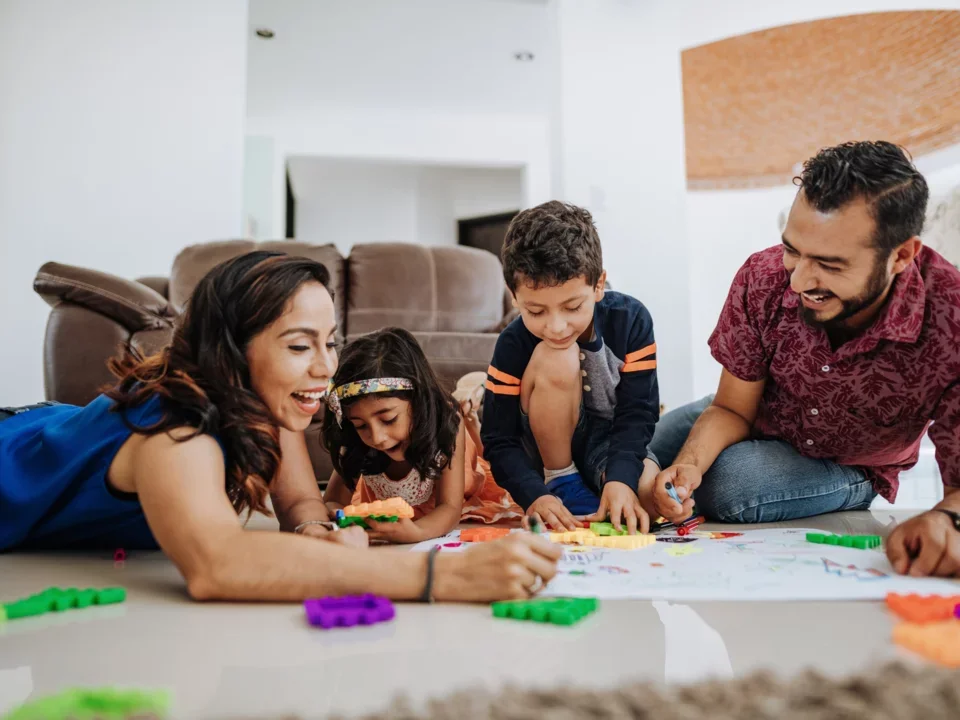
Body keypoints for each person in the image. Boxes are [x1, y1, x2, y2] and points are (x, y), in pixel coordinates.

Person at [0, 251, 560, 601]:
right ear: (232, 355)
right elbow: (217, 565)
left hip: (52, 430)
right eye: (299, 346)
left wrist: (322, 540)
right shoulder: (176, 432)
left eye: (330, 341)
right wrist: (445, 579)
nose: (326, 367)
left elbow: (299, 507)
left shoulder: (270, 406)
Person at [649, 140, 960, 578]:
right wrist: (688, 464)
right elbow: (732, 408)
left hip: (850, 463)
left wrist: (947, 522)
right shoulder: (763, 276)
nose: (797, 280)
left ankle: (850, 491)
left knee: (729, 486)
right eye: (793, 250)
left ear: (901, 256)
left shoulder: (951, 316)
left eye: (830, 265)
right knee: (635, 445)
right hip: (755, 414)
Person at [481, 201, 662, 534]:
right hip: (540, 451)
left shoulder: (631, 321)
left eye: (573, 306)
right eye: (535, 312)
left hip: (608, 439)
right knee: (557, 354)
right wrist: (535, 495)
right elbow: (498, 438)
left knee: (649, 498)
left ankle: (600, 487)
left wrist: (620, 479)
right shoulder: (512, 343)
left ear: (598, 285)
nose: (557, 326)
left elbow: (638, 412)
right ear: (514, 297)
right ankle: (562, 480)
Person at [311, 328, 522, 543]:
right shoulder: (355, 440)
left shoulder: (447, 425)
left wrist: (418, 532)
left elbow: (449, 508)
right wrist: (340, 519)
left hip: (459, 486)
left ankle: (471, 414)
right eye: (360, 425)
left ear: (418, 402)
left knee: (459, 413)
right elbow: (332, 501)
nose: (377, 437)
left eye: (389, 419)